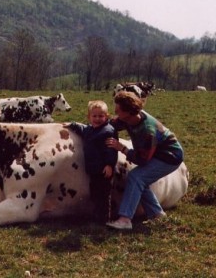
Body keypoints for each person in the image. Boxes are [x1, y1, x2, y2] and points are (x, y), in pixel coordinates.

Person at [105, 91, 184, 230]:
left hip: (169, 157)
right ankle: (157, 214)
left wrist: (122, 148)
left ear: (128, 111)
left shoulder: (148, 131)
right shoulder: (129, 118)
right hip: (157, 153)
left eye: (118, 109)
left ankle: (125, 219)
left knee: (136, 177)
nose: (115, 111)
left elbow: (142, 159)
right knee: (141, 180)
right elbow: (112, 124)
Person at [64, 100, 119, 223]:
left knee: (104, 195)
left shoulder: (108, 131)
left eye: (101, 116)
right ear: (89, 117)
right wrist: (72, 124)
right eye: (94, 116)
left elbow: (111, 150)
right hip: (93, 169)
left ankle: (105, 219)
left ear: (107, 117)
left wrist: (109, 165)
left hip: (104, 170)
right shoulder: (89, 130)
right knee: (94, 193)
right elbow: (81, 128)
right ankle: (96, 215)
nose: (97, 119)